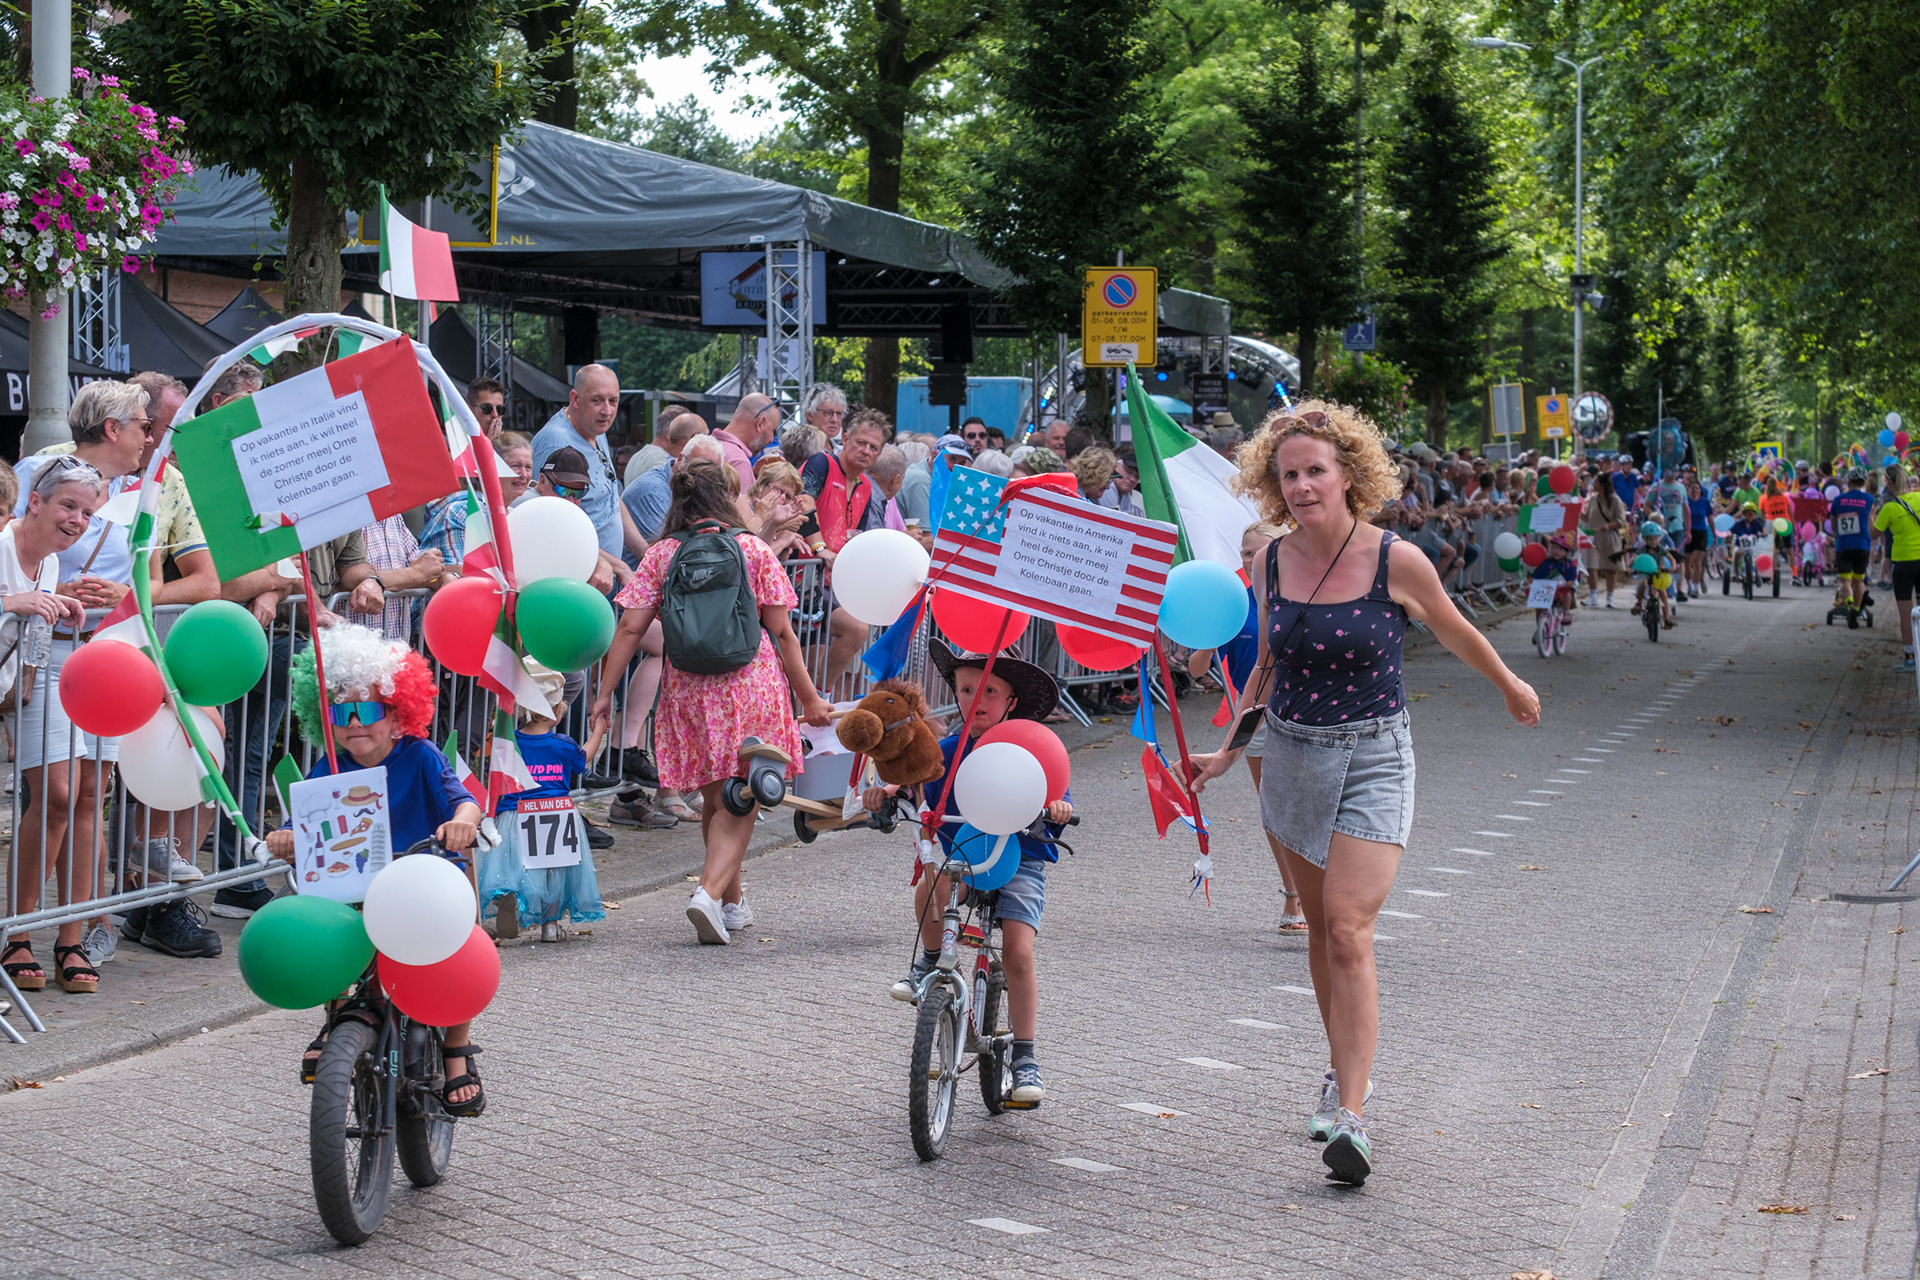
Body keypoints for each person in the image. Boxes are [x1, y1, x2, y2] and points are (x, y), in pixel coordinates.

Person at [1190, 402, 1540, 1187]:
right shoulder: (1269, 562)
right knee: (1321, 929)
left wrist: (1510, 684)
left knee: (1348, 929)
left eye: (1316, 470)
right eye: (1289, 475)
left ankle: (1352, 1114)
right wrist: (1229, 751)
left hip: (1377, 756)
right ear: (1274, 485)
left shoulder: (1395, 560)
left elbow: (1453, 626)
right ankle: (1338, 1069)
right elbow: (1267, 665)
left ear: (1348, 473)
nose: (1303, 485)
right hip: (1292, 755)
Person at [589, 462, 833, 945]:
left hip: (689, 690)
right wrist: (809, 696)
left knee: (720, 798)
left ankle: (731, 904)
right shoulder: (752, 549)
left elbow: (631, 628)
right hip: (751, 685)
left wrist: (603, 695)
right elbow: (783, 632)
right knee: (746, 795)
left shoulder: (663, 554)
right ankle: (708, 893)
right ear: (725, 498)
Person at [267, 623, 487, 1114]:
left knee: (458, 953)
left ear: (397, 713)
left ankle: (456, 1050)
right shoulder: (332, 765)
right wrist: (285, 835)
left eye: (366, 710)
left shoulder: (420, 756)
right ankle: (336, 1017)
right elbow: (303, 818)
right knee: (329, 930)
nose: (353, 723)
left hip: (422, 881)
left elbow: (465, 801)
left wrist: (462, 823)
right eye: (339, 712)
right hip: (359, 884)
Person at [867, 641, 1071, 1105]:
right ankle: (928, 962)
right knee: (930, 884)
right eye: (965, 690)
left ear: (1012, 700)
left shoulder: (1031, 749)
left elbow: (1057, 791)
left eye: (989, 692)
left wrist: (1059, 807)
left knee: (1017, 952)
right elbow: (913, 779)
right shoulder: (945, 751)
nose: (975, 700)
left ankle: (1025, 1057)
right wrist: (888, 793)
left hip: (1019, 859)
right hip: (964, 853)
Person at [0, 458, 98, 993]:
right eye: (68, 506)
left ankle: (37, 934)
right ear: (34, 502)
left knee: (67, 794)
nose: (77, 520)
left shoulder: (52, 563)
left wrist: (55, 607)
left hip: (23, 685)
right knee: (62, 795)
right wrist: (9, 602)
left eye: (86, 513)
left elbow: (26, 636)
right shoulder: (2, 542)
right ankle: (15, 933)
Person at [1186, 522, 1304, 933]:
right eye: (1247, 552)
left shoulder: (1302, 593)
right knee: (1274, 810)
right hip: (1254, 716)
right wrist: (1211, 635)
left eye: (1262, 550)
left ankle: (1322, 891)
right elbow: (1195, 669)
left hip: (1303, 712)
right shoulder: (1235, 602)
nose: (1254, 559)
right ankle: (1293, 895)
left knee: (1308, 805)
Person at [496, 660, 603, 942]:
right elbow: (583, 758)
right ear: (556, 712)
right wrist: (599, 732)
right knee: (554, 870)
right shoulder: (563, 745)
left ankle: (512, 897)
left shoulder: (509, 743)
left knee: (517, 862)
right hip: (556, 812)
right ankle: (551, 927)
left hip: (517, 812)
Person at [802, 410, 891, 695]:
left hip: (833, 581)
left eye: (873, 447)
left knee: (854, 632)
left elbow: (858, 536)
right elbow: (803, 502)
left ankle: (821, 697)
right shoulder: (821, 462)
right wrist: (820, 548)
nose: (866, 451)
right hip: (802, 575)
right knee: (853, 630)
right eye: (861, 442)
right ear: (845, 437)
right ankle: (818, 698)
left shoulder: (867, 486)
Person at [531, 364, 645, 564]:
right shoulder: (556, 442)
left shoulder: (596, 431)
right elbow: (550, 523)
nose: (607, 411)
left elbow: (611, 499)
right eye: (597, 400)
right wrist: (615, 566)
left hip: (608, 573)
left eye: (613, 401)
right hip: (576, 573)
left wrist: (645, 552)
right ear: (575, 399)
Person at [1873, 465, 1920, 669]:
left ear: (1887, 481)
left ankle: (1910, 658)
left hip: (1902, 564)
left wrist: (1872, 515)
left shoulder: (1889, 507)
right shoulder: (1919, 498)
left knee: (1906, 614)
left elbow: (1874, 534)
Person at [715, 392, 782, 498]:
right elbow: (742, 509)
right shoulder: (738, 462)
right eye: (772, 430)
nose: (771, 439)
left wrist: (753, 473)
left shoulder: (705, 445)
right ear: (760, 423)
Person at [1832, 469, 1875, 626]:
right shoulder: (1869, 499)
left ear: (1848, 481)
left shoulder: (1838, 500)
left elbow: (1833, 524)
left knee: (1845, 581)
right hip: (1862, 545)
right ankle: (1856, 609)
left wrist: (1839, 536)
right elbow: (1871, 523)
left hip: (1844, 545)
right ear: (1864, 482)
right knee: (1858, 581)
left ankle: (1849, 604)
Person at [1584, 473, 1628, 607]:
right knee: (1591, 565)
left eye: (1596, 482)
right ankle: (1593, 596)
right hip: (1594, 535)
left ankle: (1610, 597)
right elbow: (1588, 517)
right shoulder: (1593, 499)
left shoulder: (1615, 500)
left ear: (1602, 485)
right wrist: (1576, 513)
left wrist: (1609, 525)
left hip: (1610, 536)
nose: (1593, 485)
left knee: (1610, 567)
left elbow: (1621, 520)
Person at [624, 404, 687, 486]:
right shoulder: (664, 463)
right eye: (691, 436)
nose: (692, 442)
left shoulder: (636, 456)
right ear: (669, 434)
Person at [1631, 519, 1678, 628]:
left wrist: (1673, 567)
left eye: (1656, 538)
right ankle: (1639, 603)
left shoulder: (1661, 549)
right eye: (1650, 539)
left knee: (1663, 594)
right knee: (1643, 583)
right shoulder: (1643, 549)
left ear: (1659, 538)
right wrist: (1629, 567)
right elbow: (1634, 558)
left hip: (1659, 572)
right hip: (1645, 572)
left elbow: (1671, 558)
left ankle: (1667, 619)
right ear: (1645, 539)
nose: (1653, 541)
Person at [800, 382, 848, 449]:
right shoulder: (799, 451)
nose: (835, 420)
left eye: (839, 413)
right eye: (828, 413)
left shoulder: (842, 451)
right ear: (810, 415)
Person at [467, 376, 507, 443]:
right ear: (470, 410)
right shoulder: (458, 441)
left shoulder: (510, 445)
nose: (495, 414)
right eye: (487, 408)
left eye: (499, 409)